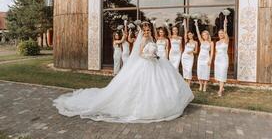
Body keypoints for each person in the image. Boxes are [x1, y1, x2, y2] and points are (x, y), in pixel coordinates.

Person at [53, 22, 194, 123]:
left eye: (148, 30)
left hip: (155, 63)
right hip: (145, 63)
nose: (146, 32)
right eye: (144, 31)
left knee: (161, 84)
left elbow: (154, 49)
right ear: (142, 32)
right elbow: (139, 54)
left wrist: (155, 56)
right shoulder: (143, 39)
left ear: (150, 31)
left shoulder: (152, 38)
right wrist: (149, 56)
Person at [195, 21, 214, 92]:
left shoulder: (211, 43)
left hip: (206, 58)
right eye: (203, 35)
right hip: (200, 58)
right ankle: (200, 85)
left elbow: (212, 52)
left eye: (205, 35)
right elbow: (197, 33)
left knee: (206, 72)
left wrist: (210, 60)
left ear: (208, 35)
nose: (204, 36)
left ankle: (205, 86)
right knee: (200, 71)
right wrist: (196, 25)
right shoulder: (201, 41)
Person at [214, 17, 229, 97]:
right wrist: (215, 60)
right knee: (219, 74)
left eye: (222, 33)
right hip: (218, 60)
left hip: (224, 59)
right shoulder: (217, 42)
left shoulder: (226, 40)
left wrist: (224, 24)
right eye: (219, 33)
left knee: (223, 73)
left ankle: (220, 91)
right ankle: (222, 87)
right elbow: (216, 52)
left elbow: (226, 32)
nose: (220, 35)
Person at [181, 18, 198, 86]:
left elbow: (196, 51)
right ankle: (186, 82)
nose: (189, 36)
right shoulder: (186, 41)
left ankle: (189, 83)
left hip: (190, 57)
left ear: (193, 34)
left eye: (190, 34)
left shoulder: (195, 42)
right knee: (185, 69)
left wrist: (192, 51)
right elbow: (185, 32)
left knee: (189, 69)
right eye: (188, 35)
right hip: (184, 56)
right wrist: (185, 24)